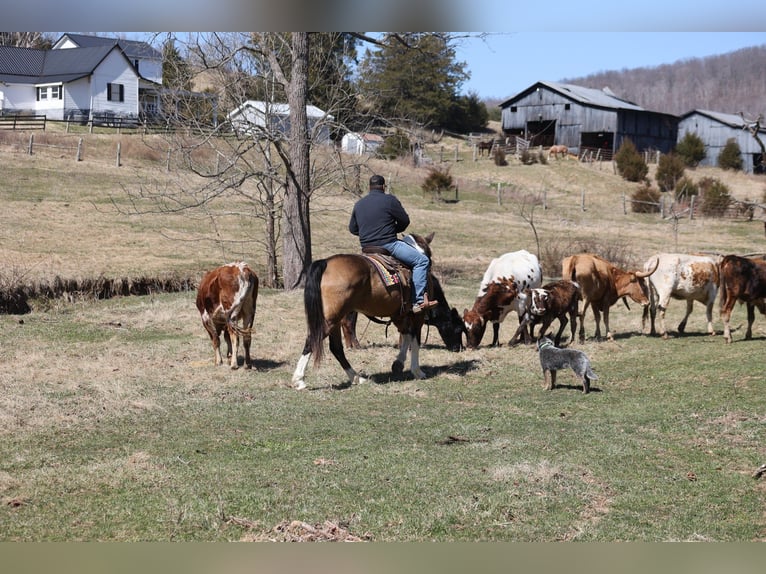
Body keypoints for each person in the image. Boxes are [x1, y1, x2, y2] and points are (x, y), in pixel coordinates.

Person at [349, 175, 437, 314]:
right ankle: (418, 301)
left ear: (369, 187)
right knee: (422, 261)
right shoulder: (389, 200)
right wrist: (392, 230)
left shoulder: (359, 204)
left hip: (366, 248)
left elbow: (353, 229)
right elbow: (404, 221)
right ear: (383, 187)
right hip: (389, 245)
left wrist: (367, 234)